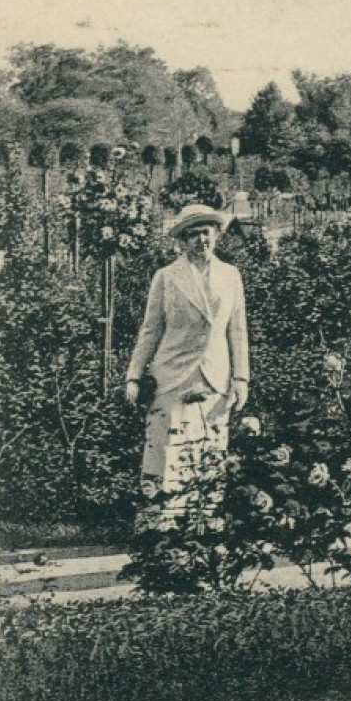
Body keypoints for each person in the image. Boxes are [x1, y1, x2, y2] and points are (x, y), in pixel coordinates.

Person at [124, 204, 249, 518]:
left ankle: (205, 524)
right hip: (172, 377)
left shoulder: (231, 276)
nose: (201, 240)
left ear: (216, 235)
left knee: (210, 451)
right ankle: (162, 527)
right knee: (166, 450)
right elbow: (150, 330)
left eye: (206, 232)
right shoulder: (166, 277)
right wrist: (134, 376)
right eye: (192, 235)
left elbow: (237, 329)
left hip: (215, 378)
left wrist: (241, 378)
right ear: (181, 241)